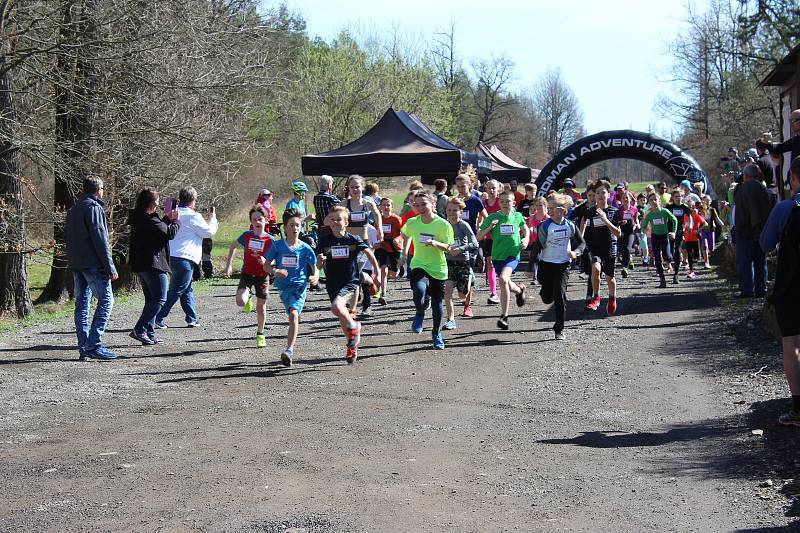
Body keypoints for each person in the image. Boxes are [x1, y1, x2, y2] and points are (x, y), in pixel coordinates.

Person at [760, 155, 800, 426]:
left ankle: (798, 408)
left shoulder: (786, 208)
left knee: (792, 345)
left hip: (792, 285)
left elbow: (765, 243)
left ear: (794, 178)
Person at [316, 205, 381, 363]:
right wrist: (319, 264)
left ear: (346, 223)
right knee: (341, 317)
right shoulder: (324, 241)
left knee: (337, 308)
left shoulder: (353, 240)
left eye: (339, 219)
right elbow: (317, 262)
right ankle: (352, 346)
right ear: (329, 222)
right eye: (333, 219)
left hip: (350, 282)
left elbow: (369, 253)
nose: (336, 222)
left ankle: (355, 326)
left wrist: (377, 272)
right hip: (332, 283)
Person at [65, 176, 119, 360]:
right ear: (98, 190)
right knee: (106, 301)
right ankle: (94, 344)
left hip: (77, 264)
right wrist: (109, 265)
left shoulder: (73, 210)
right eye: (103, 188)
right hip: (93, 264)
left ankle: (84, 347)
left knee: (81, 305)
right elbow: (100, 238)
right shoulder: (94, 208)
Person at [155, 187, 218, 328]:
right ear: (193, 200)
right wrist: (213, 219)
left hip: (170, 256)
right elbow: (209, 232)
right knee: (176, 290)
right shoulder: (193, 216)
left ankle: (192, 318)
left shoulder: (173, 213)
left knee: (186, 288)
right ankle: (157, 317)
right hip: (184, 258)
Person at [263, 208, 319, 366]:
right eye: (292, 225)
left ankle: (289, 350)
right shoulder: (277, 246)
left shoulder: (305, 248)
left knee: (293, 315)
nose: (295, 228)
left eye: (298, 225)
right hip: (283, 288)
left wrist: (315, 276)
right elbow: (266, 266)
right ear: (285, 228)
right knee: (293, 316)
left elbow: (314, 266)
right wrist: (275, 270)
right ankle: (291, 340)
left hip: (299, 287)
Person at [400, 191, 454, 349]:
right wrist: (403, 253)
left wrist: (435, 243)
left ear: (433, 204)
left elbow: (449, 247)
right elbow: (405, 235)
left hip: (438, 267)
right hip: (418, 263)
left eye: (424, 204)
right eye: (417, 205)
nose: (420, 207)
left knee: (437, 303)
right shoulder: (412, 222)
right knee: (418, 290)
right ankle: (420, 313)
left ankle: (436, 333)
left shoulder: (442, 224)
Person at [128, 188, 179, 345]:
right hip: (153, 265)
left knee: (151, 299)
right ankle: (139, 329)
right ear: (150, 203)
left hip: (142, 265)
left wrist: (167, 219)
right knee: (160, 299)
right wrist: (176, 221)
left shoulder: (140, 218)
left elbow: (159, 230)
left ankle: (149, 332)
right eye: (157, 202)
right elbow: (169, 233)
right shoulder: (150, 220)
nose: (158, 205)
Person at [223, 205, 274, 348]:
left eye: (260, 219)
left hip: (262, 276)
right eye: (254, 219)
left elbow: (277, 259)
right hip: (247, 274)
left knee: (261, 308)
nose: (257, 222)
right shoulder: (247, 236)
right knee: (240, 301)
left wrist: (268, 261)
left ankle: (260, 333)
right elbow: (233, 246)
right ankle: (248, 298)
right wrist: (229, 266)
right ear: (251, 221)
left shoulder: (270, 240)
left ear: (266, 221)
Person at [536, 193, 585, 340]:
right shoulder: (545, 225)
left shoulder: (570, 225)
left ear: (562, 210)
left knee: (560, 295)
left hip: (563, 265)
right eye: (548, 208)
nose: (549, 211)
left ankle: (559, 329)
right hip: (546, 265)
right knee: (547, 298)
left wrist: (576, 252)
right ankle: (545, 290)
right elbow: (537, 247)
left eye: (551, 208)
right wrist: (529, 267)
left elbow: (582, 243)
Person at [478, 190, 529, 330]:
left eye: (508, 201)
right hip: (497, 256)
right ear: (499, 203)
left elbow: (525, 229)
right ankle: (519, 290)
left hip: (513, 255)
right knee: (506, 281)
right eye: (502, 201)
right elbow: (478, 237)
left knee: (503, 279)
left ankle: (504, 316)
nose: (505, 204)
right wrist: (489, 228)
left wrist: (526, 239)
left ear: (514, 203)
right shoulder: (493, 217)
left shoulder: (517, 216)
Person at [339, 175, 383, 316]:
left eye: (357, 187)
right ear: (348, 189)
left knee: (355, 271)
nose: (355, 189)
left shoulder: (367, 203)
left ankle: (365, 305)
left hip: (362, 243)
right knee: (351, 273)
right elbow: (333, 217)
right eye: (352, 187)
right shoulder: (344, 204)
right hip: (347, 242)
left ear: (362, 187)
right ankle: (369, 284)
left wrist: (379, 229)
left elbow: (377, 214)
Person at [580, 181, 622, 314]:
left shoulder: (613, 211)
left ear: (608, 195)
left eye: (603, 192)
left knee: (610, 277)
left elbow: (618, 233)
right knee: (596, 268)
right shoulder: (590, 211)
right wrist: (580, 240)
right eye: (597, 193)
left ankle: (612, 298)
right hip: (594, 247)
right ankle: (596, 297)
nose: (599, 195)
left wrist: (605, 219)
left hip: (609, 247)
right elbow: (583, 223)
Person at [733, 164, 773, 298]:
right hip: (761, 231)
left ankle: (747, 290)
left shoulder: (743, 189)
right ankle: (761, 290)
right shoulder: (763, 188)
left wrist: (738, 229)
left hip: (745, 231)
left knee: (745, 263)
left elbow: (742, 213)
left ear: (745, 176)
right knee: (760, 262)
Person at [443, 197, 479, 328]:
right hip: (448, 262)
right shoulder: (443, 225)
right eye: (449, 210)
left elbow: (475, 243)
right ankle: (450, 319)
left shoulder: (463, 225)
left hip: (463, 261)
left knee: (462, 294)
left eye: (455, 210)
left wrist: (460, 248)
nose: (451, 213)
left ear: (461, 212)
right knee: (447, 290)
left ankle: (469, 277)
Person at [641, 193, 678, 288]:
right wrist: (644, 231)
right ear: (649, 203)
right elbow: (643, 226)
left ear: (659, 201)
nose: (653, 202)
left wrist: (673, 232)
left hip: (664, 236)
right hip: (655, 237)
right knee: (657, 259)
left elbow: (674, 220)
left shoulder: (664, 211)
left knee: (667, 256)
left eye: (655, 199)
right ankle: (662, 280)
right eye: (651, 200)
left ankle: (669, 261)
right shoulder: (650, 215)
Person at [373, 197, 402, 303]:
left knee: (393, 274)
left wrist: (397, 239)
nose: (386, 207)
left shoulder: (396, 219)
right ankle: (383, 293)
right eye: (384, 205)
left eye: (388, 205)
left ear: (392, 207)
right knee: (383, 270)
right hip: (383, 246)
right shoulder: (378, 220)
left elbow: (403, 234)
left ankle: (399, 267)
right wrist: (375, 243)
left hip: (394, 247)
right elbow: (374, 233)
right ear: (380, 207)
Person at [480, 179, 502, 304]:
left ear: (498, 189)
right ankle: (493, 293)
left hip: (502, 239)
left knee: (502, 266)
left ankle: (512, 287)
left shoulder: (502, 202)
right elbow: (481, 218)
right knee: (490, 263)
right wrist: (480, 228)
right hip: (489, 238)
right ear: (486, 190)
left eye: (494, 188)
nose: (492, 190)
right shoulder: (484, 203)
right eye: (489, 188)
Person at [666, 188, 691, 284]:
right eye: (676, 196)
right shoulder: (669, 207)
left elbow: (690, 217)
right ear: (672, 197)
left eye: (679, 196)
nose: (678, 198)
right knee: (670, 253)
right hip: (669, 232)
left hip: (679, 232)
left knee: (677, 251)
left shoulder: (684, 207)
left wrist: (690, 225)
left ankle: (676, 274)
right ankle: (670, 262)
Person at [682, 202, 707, 279]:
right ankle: (691, 270)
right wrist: (683, 232)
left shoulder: (696, 216)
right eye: (690, 207)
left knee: (696, 256)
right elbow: (684, 225)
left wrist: (698, 230)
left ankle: (693, 266)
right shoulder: (685, 215)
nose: (692, 209)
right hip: (687, 238)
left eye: (693, 207)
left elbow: (705, 224)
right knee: (689, 254)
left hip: (695, 238)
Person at [698, 197, 725, 268]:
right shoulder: (700, 210)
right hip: (703, 230)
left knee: (711, 247)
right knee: (705, 246)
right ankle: (706, 262)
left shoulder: (712, 210)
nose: (705, 203)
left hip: (711, 230)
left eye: (707, 201)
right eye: (704, 201)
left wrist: (722, 225)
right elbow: (697, 219)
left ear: (710, 202)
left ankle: (705, 253)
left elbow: (717, 218)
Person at [527, 197, 549, 283]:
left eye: (541, 205)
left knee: (543, 259)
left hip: (544, 242)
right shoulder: (532, 217)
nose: (539, 207)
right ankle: (535, 277)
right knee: (535, 258)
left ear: (545, 205)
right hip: (534, 241)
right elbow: (529, 227)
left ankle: (543, 276)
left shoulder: (547, 218)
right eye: (537, 205)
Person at [617, 192, 639, 278]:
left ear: (630, 199)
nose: (625, 199)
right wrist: (621, 223)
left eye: (627, 197)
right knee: (622, 250)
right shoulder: (619, 210)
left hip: (630, 232)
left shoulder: (634, 209)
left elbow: (635, 219)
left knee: (627, 248)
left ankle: (624, 268)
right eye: (623, 198)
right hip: (621, 233)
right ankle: (629, 259)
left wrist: (637, 225)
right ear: (621, 200)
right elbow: (616, 222)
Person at [313, 175, 340, 239]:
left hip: (321, 228)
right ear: (328, 185)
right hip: (331, 227)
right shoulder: (331, 198)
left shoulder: (316, 197)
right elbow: (343, 207)